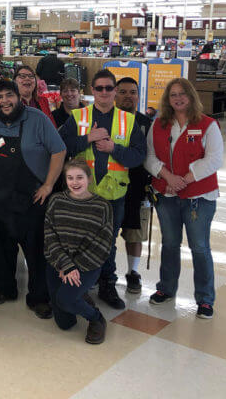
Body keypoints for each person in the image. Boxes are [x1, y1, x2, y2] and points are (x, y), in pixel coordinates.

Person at [59, 69, 146, 310]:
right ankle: (85, 285)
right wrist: (87, 138)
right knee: (80, 240)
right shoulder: (79, 117)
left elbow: (138, 156)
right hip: (82, 194)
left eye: (109, 88)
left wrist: (113, 148)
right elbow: (61, 146)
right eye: (99, 88)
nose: (104, 92)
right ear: (92, 91)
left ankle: (107, 284)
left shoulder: (129, 121)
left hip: (113, 195)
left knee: (107, 242)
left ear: (115, 91)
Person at [0, 79, 66, 318]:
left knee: (37, 252)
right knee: (0, 250)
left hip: (32, 201)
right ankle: (4, 289)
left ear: (19, 97)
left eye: (9, 95)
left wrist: (49, 184)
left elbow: (59, 151)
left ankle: (39, 297)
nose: (5, 101)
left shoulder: (37, 120)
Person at [145, 78, 223, 319]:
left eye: (182, 94)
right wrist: (168, 177)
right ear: (167, 99)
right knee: (169, 244)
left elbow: (214, 159)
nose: (178, 98)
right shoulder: (158, 124)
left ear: (191, 96)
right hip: (166, 195)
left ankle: (205, 299)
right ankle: (166, 288)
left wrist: (184, 180)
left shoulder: (208, 125)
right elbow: (148, 156)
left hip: (198, 197)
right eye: (173, 95)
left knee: (199, 247)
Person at [44, 159, 113, 345]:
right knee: (65, 323)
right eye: (70, 178)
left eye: (79, 178)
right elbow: (50, 237)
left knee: (65, 301)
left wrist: (74, 267)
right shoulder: (56, 201)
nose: (75, 182)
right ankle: (80, 295)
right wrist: (64, 265)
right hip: (59, 262)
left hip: (87, 264)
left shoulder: (102, 206)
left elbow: (103, 245)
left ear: (89, 179)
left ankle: (95, 317)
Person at [115, 77, 152, 294]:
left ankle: (133, 273)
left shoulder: (147, 123)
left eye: (132, 92)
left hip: (138, 187)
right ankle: (102, 273)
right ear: (115, 94)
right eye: (123, 92)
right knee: (106, 234)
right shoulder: (106, 119)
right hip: (109, 186)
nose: (128, 96)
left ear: (138, 95)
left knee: (134, 233)